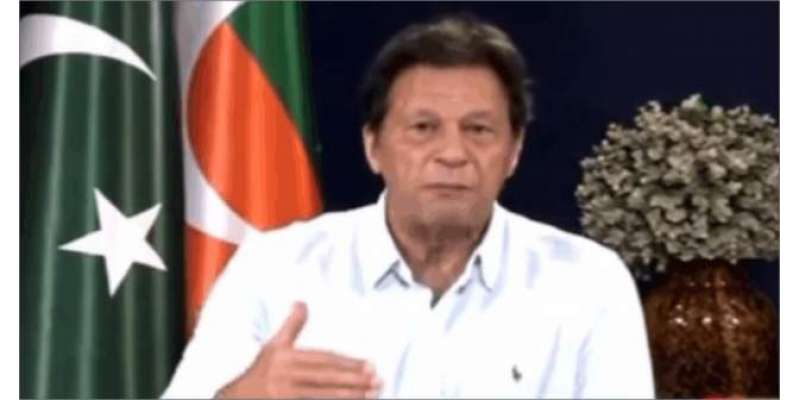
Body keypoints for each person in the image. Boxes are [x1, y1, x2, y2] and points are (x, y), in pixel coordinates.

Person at [163, 14, 654, 399]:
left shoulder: (587, 282)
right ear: (373, 146)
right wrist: (241, 396)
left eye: (479, 130)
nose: (453, 153)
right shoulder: (275, 268)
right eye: (423, 128)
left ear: (514, 151)